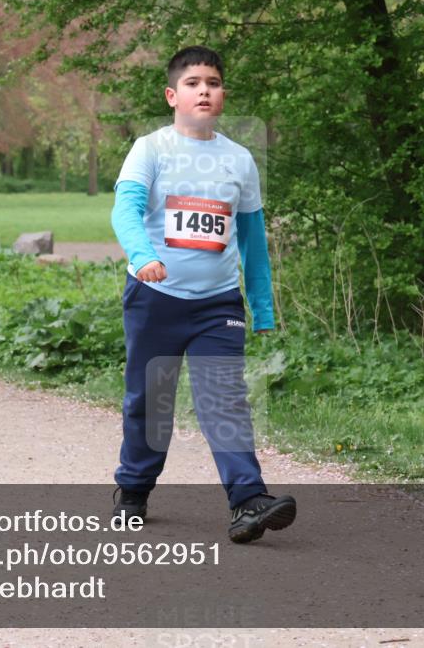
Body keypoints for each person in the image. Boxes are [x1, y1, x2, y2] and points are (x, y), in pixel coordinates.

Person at [110, 45, 296, 544]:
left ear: (223, 94)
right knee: (150, 401)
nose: (204, 91)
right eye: (192, 83)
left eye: (213, 83)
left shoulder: (239, 160)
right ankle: (133, 488)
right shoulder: (150, 149)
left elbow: (253, 241)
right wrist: (142, 255)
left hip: (217, 303)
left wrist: (261, 307)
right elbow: (125, 211)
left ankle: (248, 500)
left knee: (224, 399)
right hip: (155, 297)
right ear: (172, 95)